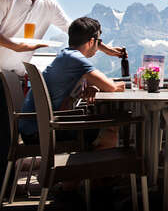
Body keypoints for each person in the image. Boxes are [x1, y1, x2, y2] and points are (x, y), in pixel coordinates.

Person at [0, 0, 124, 180]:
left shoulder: (49, 6)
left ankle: (15, 184)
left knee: (7, 134)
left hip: (17, 76)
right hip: (1, 73)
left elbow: (74, 29)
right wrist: (15, 46)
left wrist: (103, 48)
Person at [19, 17, 125, 148]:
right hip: (41, 132)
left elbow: (91, 82)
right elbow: (112, 88)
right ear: (92, 42)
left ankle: (84, 165)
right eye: (98, 42)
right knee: (110, 129)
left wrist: (94, 86)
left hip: (33, 128)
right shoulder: (76, 59)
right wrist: (122, 84)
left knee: (100, 123)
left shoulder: (66, 55)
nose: (98, 48)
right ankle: (88, 167)